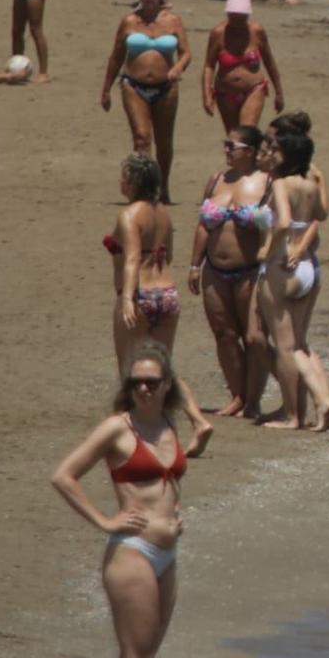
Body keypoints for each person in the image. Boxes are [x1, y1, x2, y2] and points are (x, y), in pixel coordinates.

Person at [49, 342, 192, 658]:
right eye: (136, 382)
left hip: (167, 553)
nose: (143, 389)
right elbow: (63, 476)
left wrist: (175, 515)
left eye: (151, 382)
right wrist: (104, 521)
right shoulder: (118, 427)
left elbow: (167, 481)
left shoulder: (168, 423)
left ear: (167, 386)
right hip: (132, 553)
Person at [103, 153, 210, 450]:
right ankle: (199, 421)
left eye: (124, 175)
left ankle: (128, 434)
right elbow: (168, 255)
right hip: (167, 294)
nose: (120, 181)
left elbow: (133, 257)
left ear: (134, 181)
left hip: (140, 295)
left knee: (129, 368)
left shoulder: (128, 215)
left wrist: (126, 298)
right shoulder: (163, 213)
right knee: (164, 367)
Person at [192, 125, 273, 418]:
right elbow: (204, 224)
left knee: (253, 338)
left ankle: (253, 400)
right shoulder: (217, 180)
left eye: (232, 146)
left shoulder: (267, 182)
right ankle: (237, 396)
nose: (226, 150)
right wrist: (194, 264)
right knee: (224, 334)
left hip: (251, 270)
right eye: (225, 145)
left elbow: (275, 227)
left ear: (249, 151)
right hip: (214, 269)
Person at [256, 129, 329, 432]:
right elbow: (318, 217)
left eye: (276, 149)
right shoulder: (310, 183)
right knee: (300, 343)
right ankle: (323, 399)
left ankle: (294, 415)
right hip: (308, 265)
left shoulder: (280, 183)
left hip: (282, 263)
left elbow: (285, 222)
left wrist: (266, 248)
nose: (271, 152)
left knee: (286, 345)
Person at [101, 0, 191, 203]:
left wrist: (178, 67)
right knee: (141, 138)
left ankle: (163, 186)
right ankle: (143, 189)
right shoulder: (129, 21)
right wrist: (106, 89)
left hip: (166, 87)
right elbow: (116, 56)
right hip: (133, 84)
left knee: (164, 140)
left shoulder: (173, 21)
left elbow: (186, 53)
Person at [202, 0, 284, 132]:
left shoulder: (257, 31)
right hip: (225, 93)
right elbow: (209, 65)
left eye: (241, 17)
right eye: (234, 17)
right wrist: (207, 95)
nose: (237, 21)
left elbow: (269, 61)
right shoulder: (218, 33)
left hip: (254, 89)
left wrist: (279, 93)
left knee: (246, 134)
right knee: (234, 137)